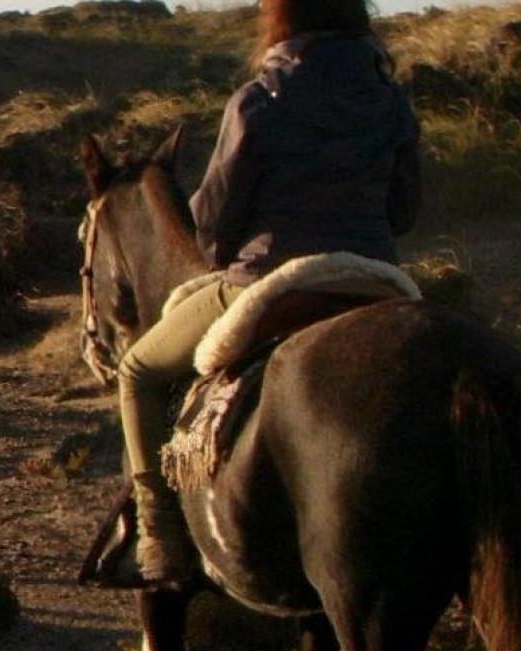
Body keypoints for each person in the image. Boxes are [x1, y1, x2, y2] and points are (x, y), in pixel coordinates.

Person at [111, 0, 422, 589]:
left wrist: (232, 250)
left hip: (273, 279)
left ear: (280, 16)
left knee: (137, 371)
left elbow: (212, 225)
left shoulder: (258, 100)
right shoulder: (391, 100)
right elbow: (403, 211)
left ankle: (159, 535)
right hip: (373, 277)